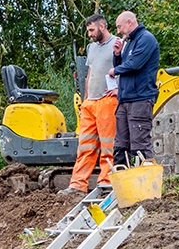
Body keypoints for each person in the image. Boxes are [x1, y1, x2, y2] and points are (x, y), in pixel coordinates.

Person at [59, 14, 119, 195]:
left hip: (107, 100)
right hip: (90, 103)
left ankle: (107, 182)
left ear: (102, 26)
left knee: (109, 145)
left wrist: (119, 90)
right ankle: (77, 185)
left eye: (92, 30)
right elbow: (89, 74)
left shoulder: (117, 44)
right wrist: (85, 99)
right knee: (85, 147)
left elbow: (125, 69)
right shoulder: (92, 48)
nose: (90, 34)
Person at [108, 11, 160, 167]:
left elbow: (134, 65)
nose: (118, 31)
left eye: (120, 27)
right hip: (125, 100)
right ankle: (122, 185)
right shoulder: (129, 42)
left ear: (129, 22)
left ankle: (147, 187)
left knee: (140, 146)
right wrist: (117, 54)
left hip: (140, 99)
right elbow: (123, 65)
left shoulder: (146, 39)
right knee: (120, 146)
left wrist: (114, 71)